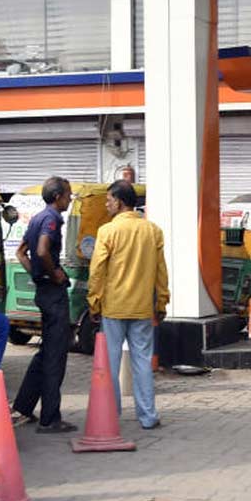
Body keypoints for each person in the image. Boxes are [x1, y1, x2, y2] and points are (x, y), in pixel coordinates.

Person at [87, 179, 169, 430]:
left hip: (113, 307)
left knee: (110, 363)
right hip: (142, 307)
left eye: (109, 200)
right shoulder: (153, 231)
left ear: (120, 202)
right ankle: (148, 416)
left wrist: (94, 302)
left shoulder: (107, 232)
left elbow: (97, 271)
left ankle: (111, 414)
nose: (107, 204)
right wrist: (162, 302)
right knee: (142, 362)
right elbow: (160, 271)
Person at [11, 176, 76, 433]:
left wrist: (36, 275)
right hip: (53, 294)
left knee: (44, 353)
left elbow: (20, 253)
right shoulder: (51, 219)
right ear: (58, 196)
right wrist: (54, 273)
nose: (70, 199)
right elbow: (40, 251)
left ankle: (24, 407)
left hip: (43, 292)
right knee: (55, 357)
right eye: (68, 194)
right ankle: (50, 418)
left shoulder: (36, 218)